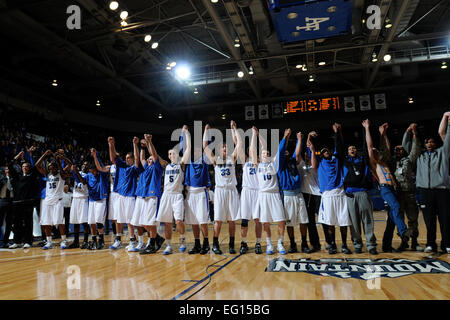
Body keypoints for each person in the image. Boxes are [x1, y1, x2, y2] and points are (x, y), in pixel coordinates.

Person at [362, 119, 410, 252]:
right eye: (376, 152)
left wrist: (383, 133)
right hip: (385, 188)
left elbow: (387, 148)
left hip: (394, 189)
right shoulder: (374, 164)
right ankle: (403, 232)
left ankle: (386, 245)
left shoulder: (385, 162)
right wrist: (367, 128)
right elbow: (369, 146)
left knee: (392, 218)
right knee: (396, 207)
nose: (378, 153)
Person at [310, 123, 352, 254]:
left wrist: (337, 133)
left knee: (343, 222)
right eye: (323, 151)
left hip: (339, 193)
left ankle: (344, 244)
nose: (325, 152)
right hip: (327, 195)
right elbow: (310, 148)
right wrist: (309, 138)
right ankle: (332, 244)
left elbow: (340, 146)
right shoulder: (319, 163)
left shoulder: (336, 160)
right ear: (321, 155)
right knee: (330, 222)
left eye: (327, 150)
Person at [381, 123, 423, 252]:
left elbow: (415, 150)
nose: (397, 151)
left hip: (409, 193)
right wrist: (383, 135)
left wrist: (414, 134)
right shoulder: (392, 162)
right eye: (396, 149)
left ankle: (415, 242)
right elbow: (386, 152)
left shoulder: (409, 160)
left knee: (413, 219)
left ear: (404, 150)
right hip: (397, 194)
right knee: (399, 219)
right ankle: (403, 242)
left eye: (399, 149)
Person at [203, 121, 242, 255]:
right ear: (219, 150)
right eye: (222, 148)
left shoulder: (232, 158)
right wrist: (206, 132)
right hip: (220, 191)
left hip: (231, 190)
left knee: (232, 220)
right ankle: (215, 243)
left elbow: (239, 144)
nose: (225, 150)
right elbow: (205, 146)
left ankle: (231, 244)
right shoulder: (215, 160)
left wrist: (234, 129)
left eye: (226, 148)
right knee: (218, 220)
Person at [416, 111, 450, 253]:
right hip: (425, 191)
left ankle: (447, 244)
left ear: (435, 144)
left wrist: (447, 120)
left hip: (441, 190)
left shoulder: (442, 153)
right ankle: (430, 244)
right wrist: (410, 133)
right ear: (424, 145)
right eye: (427, 142)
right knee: (429, 220)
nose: (430, 143)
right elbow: (408, 146)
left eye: (432, 142)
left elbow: (447, 137)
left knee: (445, 219)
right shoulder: (419, 157)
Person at [253, 127, 289, 255]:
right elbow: (256, 149)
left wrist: (285, 137)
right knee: (266, 222)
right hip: (263, 195)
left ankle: (280, 243)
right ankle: (269, 244)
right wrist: (255, 135)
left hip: (274, 194)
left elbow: (271, 148)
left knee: (280, 220)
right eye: (263, 153)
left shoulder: (273, 163)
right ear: (259, 157)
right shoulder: (257, 165)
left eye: (267, 153)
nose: (266, 154)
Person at [157, 125, 190, 255]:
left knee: (179, 221)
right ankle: (169, 246)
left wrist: (186, 133)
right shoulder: (166, 165)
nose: (172, 155)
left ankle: (182, 241)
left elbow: (188, 149)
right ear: (169, 156)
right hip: (166, 195)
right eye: (170, 153)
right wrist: (148, 143)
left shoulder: (181, 165)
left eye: (174, 153)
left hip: (177, 195)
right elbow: (155, 156)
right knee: (167, 223)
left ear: (177, 155)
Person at [131, 134, 166, 254]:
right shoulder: (146, 168)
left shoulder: (157, 168)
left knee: (149, 222)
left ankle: (151, 244)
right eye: (149, 159)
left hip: (152, 196)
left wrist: (149, 142)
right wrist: (141, 147)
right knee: (142, 222)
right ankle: (158, 238)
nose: (149, 160)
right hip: (143, 196)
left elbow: (155, 155)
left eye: (151, 159)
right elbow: (141, 158)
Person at [343, 137, 377, 255]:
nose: (352, 150)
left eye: (354, 148)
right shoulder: (345, 161)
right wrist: (338, 133)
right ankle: (357, 244)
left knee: (367, 219)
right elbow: (339, 147)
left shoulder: (363, 160)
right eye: (349, 149)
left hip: (363, 192)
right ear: (347, 152)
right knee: (354, 221)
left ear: (357, 150)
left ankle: (371, 245)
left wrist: (365, 130)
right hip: (350, 194)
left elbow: (367, 148)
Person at [279, 132, 311, 253]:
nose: (286, 152)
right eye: (284, 151)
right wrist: (285, 137)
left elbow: (297, 153)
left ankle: (304, 243)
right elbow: (282, 149)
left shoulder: (292, 161)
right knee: (290, 222)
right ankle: (292, 243)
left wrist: (299, 139)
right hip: (287, 195)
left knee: (304, 220)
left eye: (288, 151)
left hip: (299, 194)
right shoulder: (280, 164)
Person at [35, 150, 72, 250]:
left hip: (58, 201)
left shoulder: (62, 174)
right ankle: (49, 241)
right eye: (49, 166)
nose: (50, 167)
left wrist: (61, 158)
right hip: (48, 200)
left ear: (55, 167)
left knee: (59, 222)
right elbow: (37, 165)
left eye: (52, 166)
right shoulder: (47, 174)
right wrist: (44, 155)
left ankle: (63, 240)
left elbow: (70, 164)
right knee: (47, 222)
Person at [184, 125, 212, 255]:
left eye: (198, 151)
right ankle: (196, 244)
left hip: (201, 192)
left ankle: (206, 243)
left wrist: (206, 131)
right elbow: (185, 146)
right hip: (190, 193)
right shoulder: (189, 162)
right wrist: (185, 133)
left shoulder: (204, 161)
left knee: (203, 220)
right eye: (194, 151)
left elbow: (207, 146)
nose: (195, 153)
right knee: (193, 221)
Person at [107, 137, 139, 250]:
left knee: (129, 221)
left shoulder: (134, 169)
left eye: (129, 158)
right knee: (118, 219)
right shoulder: (121, 166)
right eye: (126, 158)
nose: (128, 159)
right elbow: (113, 158)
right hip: (120, 195)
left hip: (130, 196)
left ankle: (132, 241)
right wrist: (111, 145)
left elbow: (137, 159)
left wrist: (135, 145)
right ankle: (118, 239)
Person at [73, 154, 109, 250]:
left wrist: (95, 155)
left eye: (93, 170)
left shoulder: (102, 174)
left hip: (101, 199)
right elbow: (82, 182)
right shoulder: (89, 175)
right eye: (91, 171)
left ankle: (101, 240)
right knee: (91, 222)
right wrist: (76, 172)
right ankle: (93, 240)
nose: (92, 173)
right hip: (92, 200)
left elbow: (100, 166)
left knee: (99, 221)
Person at [237, 127, 262, 254]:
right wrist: (235, 129)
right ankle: (244, 242)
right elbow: (238, 146)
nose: (250, 152)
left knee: (257, 219)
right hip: (246, 191)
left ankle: (258, 243)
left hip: (257, 192)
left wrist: (253, 135)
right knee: (244, 220)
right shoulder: (244, 162)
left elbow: (252, 149)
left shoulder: (259, 162)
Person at [67, 161, 90, 249]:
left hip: (83, 198)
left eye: (87, 165)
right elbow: (70, 165)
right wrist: (63, 158)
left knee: (84, 222)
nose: (85, 166)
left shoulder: (89, 175)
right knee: (75, 221)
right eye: (84, 164)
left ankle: (85, 241)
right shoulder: (78, 172)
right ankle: (76, 241)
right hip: (75, 198)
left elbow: (82, 181)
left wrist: (76, 171)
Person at [0, 165, 14, 247]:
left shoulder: (14, 179)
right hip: (2, 201)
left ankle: (6, 241)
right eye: (6, 169)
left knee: (9, 223)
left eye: (8, 169)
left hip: (11, 201)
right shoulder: (2, 179)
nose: (7, 170)